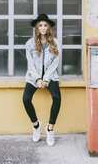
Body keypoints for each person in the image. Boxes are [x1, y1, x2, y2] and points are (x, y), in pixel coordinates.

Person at [23, 13, 61, 146]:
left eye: (45, 25)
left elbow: (55, 63)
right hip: (34, 76)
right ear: (37, 28)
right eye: (40, 25)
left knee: (56, 97)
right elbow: (30, 64)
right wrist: (38, 79)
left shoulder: (55, 43)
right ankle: (36, 125)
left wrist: (46, 79)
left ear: (48, 27)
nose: (43, 28)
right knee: (26, 99)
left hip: (50, 76)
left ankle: (50, 128)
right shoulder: (30, 43)